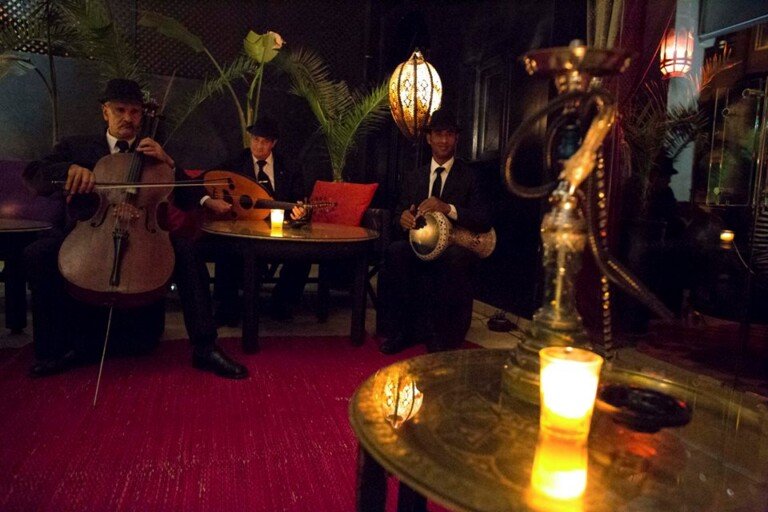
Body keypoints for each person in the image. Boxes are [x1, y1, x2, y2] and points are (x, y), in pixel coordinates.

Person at [23, 78, 248, 379]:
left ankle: (205, 347)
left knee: (186, 251)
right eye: (120, 110)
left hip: (143, 232)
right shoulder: (77, 146)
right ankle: (53, 349)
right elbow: (35, 175)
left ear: (142, 115)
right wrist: (68, 171)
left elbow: (185, 194)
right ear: (105, 111)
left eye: (135, 112)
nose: (128, 118)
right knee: (39, 253)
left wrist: (169, 162)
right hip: (88, 234)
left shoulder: (153, 154)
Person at [378, 109, 492, 354]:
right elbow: (398, 214)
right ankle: (405, 331)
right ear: (429, 138)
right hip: (419, 244)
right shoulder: (414, 176)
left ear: (456, 138)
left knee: (454, 258)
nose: (443, 140)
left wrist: (447, 208)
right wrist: (403, 219)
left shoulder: (471, 177)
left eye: (449, 134)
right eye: (438, 134)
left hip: (455, 246)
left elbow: (484, 220)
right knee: (396, 251)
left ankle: (443, 335)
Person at [207, 117, 309, 324]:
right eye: (255, 140)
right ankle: (227, 307)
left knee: (304, 254)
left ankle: (281, 302)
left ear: (273, 143)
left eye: (264, 141)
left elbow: (299, 200)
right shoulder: (237, 162)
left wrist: (300, 212)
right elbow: (208, 179)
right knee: (226, 248)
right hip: (244, 228)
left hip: (279, 229)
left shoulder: (290, 166)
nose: (259, 146)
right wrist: (213, 200)